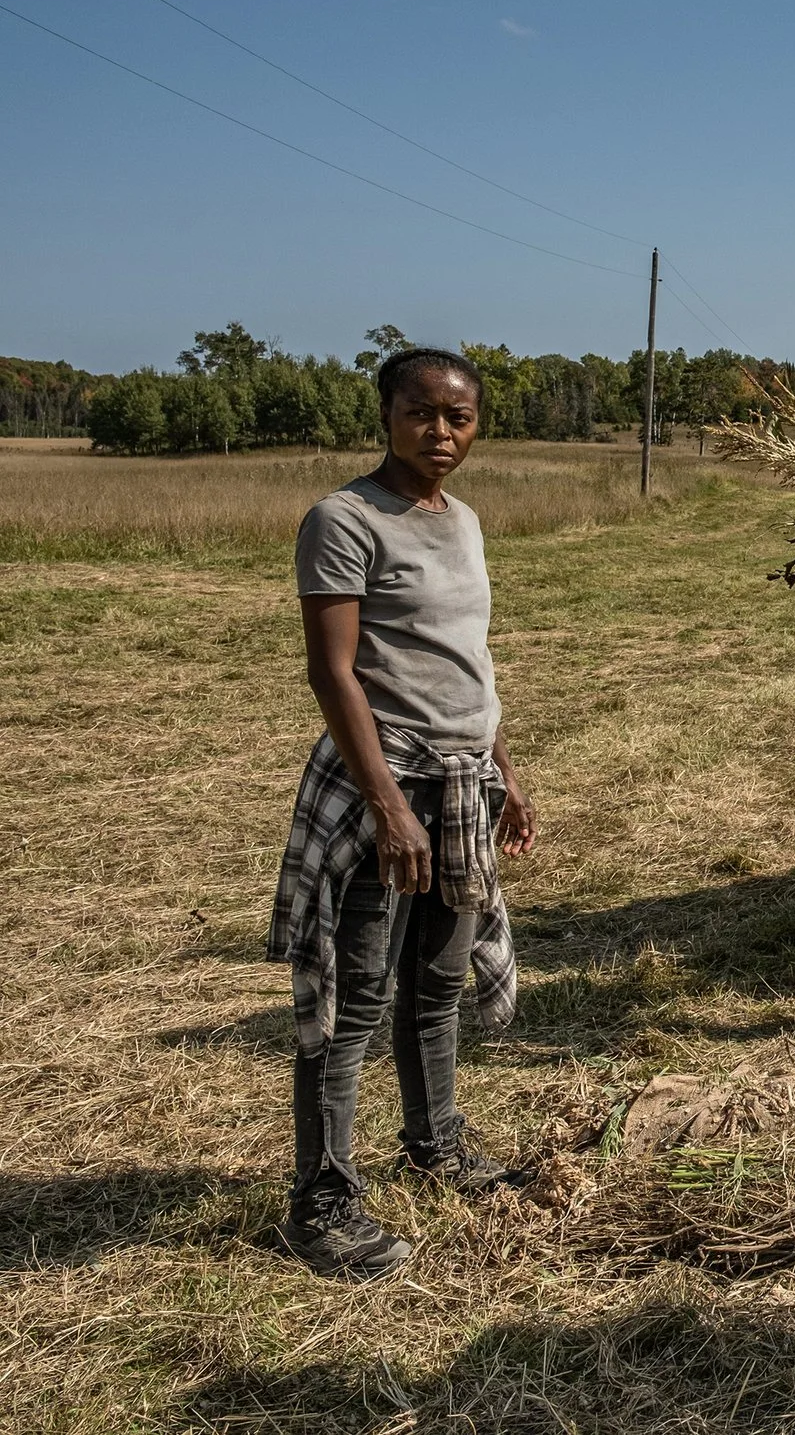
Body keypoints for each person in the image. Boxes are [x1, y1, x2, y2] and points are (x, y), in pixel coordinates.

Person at [269, 347, 537, 1280]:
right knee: (355, 999)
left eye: (459, 416)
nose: (441, 432)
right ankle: (321, 1202)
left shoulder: (462, 519)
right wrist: (388, 807)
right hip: (384, 787)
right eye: (422, 413)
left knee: (435, 984)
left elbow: (469, 658)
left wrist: (504, 769)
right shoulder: (343, 520)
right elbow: (332, 671)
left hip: (461, 784)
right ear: (385, 415)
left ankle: (436, 1145)